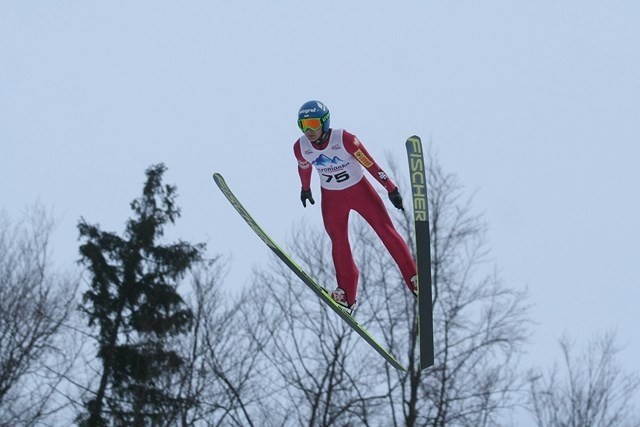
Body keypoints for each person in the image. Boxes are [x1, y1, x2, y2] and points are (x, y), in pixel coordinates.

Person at [293, 100, 417, 313]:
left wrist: (390, 188)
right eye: (303, 125)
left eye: (313, 124)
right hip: (331, 199)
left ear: (324, 122)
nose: (309, 131)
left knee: (385, 231)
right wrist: (305, 188)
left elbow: (370, 163)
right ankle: (346, 295)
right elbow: (304, 169)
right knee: (338, 242)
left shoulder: (345, 139)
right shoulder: (301, 147)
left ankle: (414, 278)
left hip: (360, 192)